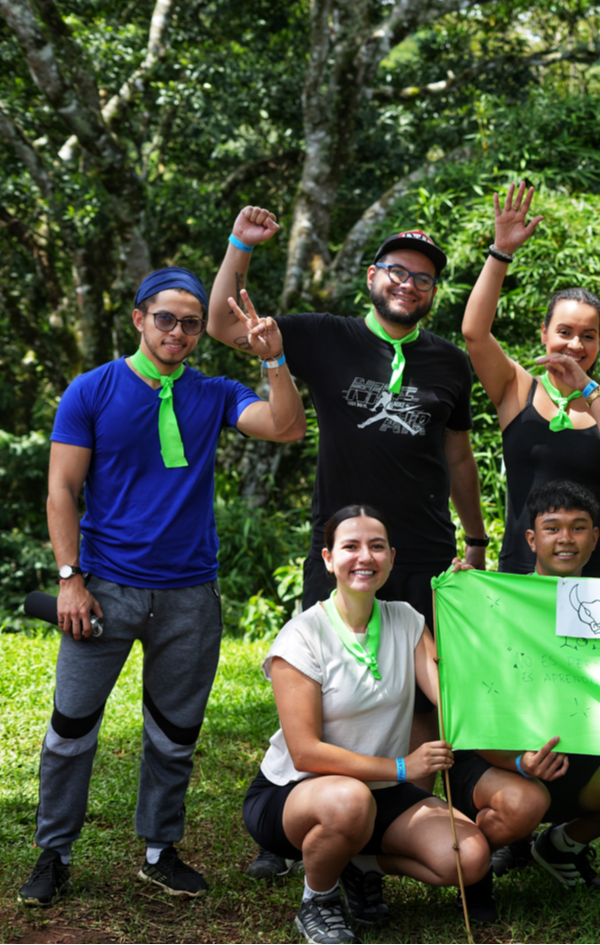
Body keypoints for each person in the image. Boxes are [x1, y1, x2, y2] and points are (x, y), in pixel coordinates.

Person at [209, 209, 490, 883]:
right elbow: (221, 323)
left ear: (433, 293)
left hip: (423, 551)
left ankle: (387, 826)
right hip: (342, 552)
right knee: (326, 683)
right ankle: (302, 813)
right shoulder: (323, 336)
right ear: (372, 276)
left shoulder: (449, 363)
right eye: (397, 271)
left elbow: (458, 457)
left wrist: (477, 537)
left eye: (423, 279)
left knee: (422, 699)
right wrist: (240, 245)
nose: (408, 284)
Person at [21, 268, 305, 907]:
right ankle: (54, 853)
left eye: (191, 323)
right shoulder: (92, 390)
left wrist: (275, 360)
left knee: (174, 735)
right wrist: (69, 580)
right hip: (105, 587)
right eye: (166, 318)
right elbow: (61, 490)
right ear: (139, 319)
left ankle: (159, 850)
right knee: (70, 730)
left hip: (190, 594)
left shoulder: (215, 392)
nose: (178, 331)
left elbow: (286, 427)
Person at [242, 504, 487, 945]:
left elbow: (454, 699)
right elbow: (306, 753)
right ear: (328, 559)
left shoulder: (406, 620)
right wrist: (403, 767)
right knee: (349, 801)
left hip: (381, 792)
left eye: (376, 547)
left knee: (469, 859)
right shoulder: (302, 636)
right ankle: (318, 900)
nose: (365, 557)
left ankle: (360, 863)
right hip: (296, 793)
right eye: (350, 546)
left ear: (391, 558)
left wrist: (466, 608)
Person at [445, 480, 600, 897]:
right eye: (552, 528)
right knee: (522, 805)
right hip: (496, 760)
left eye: (578, 527)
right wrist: (460, 593)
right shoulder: (495, 601)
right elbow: (471, 706)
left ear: (595, 537)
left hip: (575, 751)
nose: (566, 538)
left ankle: (562, 844)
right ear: (531, 539)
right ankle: (478, 858)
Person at [460, 182, 600, 580]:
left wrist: (587, 390)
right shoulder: (516, 388)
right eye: (564, 332)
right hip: (525, 567)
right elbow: (474, 333)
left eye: (588, 336)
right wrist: (501, 252)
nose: (575, 345)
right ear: (544, 332)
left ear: (599, 342)